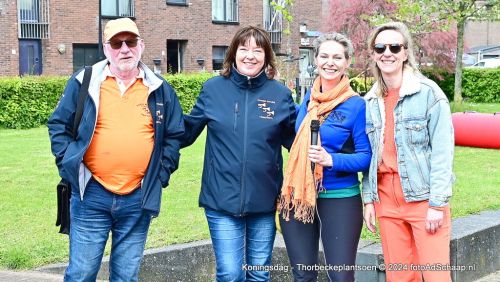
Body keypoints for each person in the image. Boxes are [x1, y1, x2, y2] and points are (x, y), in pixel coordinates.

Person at [48, 18, 184, 281]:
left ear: (141, 46)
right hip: (91, 195)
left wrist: (160, 175)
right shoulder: (84, 81)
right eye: (116, 43)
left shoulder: (160, 89)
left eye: (130, 42)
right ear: (106, 48)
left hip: (138, 198)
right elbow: (58, 125)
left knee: (126, 275)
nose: (124, 49)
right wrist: (69, 164)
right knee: (81, 273)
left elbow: (175, 136)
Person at [181, 26, 296, 281]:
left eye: (257, 50)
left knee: (259, 274)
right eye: (243, 49)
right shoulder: (213, 90)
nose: (250, 55)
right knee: (231, 274)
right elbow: (186, 133)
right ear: (233, 53)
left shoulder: (280, 95)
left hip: (264, 201)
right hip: (221, 201)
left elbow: (298, 144)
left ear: (266, 56)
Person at [362, 22, 454, 282]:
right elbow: (370, 156)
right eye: (380, 47)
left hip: (424, 198)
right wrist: (369, 199)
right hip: (386, 200)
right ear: (373, 54)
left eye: (395, 47)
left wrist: (437, 203)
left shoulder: (429, 94)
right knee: (399, 277)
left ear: (405, 53)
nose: (387, 53)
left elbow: (442, 153)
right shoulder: (370, 101)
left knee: (436, 276)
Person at [278, 33, 372, 282]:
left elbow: (365, 157)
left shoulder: (356, 105)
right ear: (316, 59)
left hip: (339, 198)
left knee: (340, 277)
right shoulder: (308, 99)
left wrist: (331, 160)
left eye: (337, 57)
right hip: (299, 198)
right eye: (325, 56)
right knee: (303, 275)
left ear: (347, 62)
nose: (330, 62)